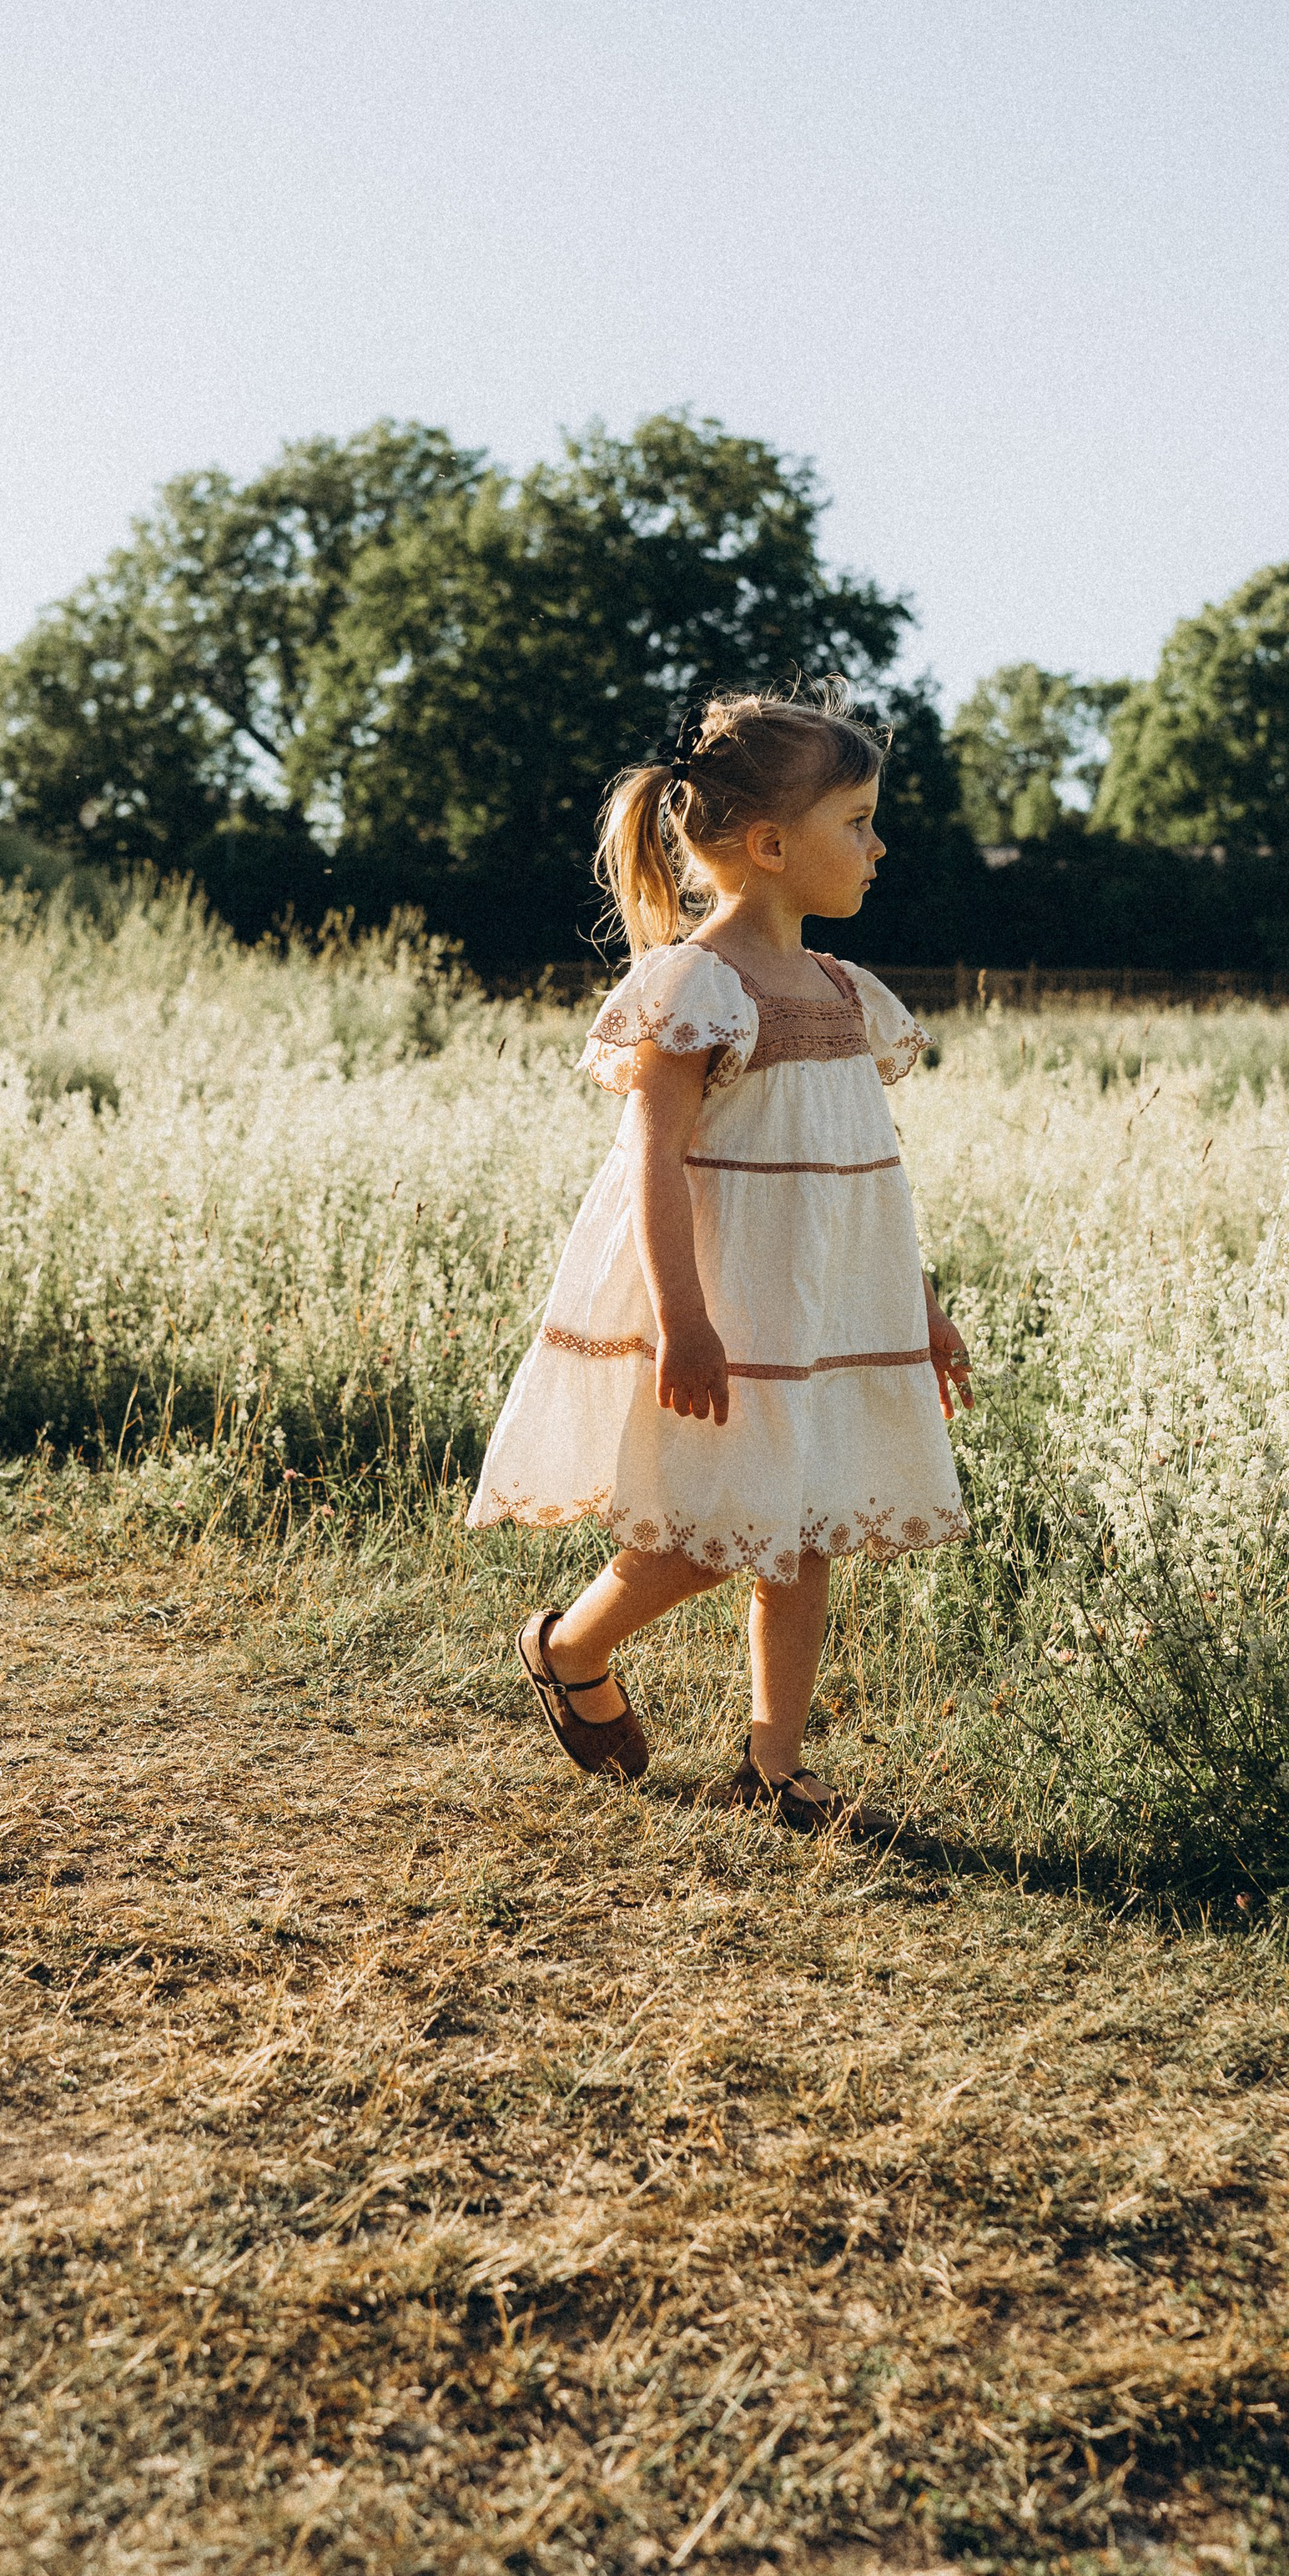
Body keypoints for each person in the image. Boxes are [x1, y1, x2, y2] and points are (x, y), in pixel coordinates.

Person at [467, 687, 973, 1831]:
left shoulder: (847, 995)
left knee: (804, 1533)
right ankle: (568, 1647)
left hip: (823, 1315)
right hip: (727, 1315)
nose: (879, 847)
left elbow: (867, 1184)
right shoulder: (694, 990)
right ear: (772, 846)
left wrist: (920, 1306)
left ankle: (774, 1768)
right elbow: (652, 1167)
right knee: (703, 1535)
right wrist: (684, 1322)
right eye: (858, 822)